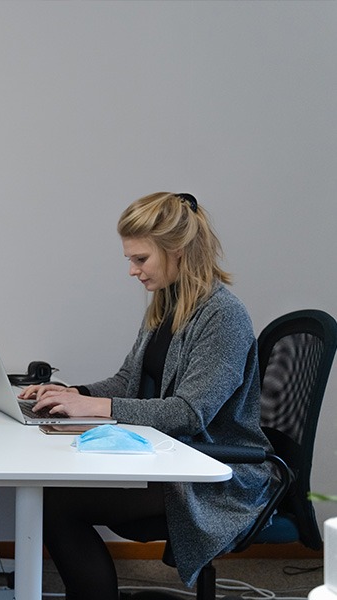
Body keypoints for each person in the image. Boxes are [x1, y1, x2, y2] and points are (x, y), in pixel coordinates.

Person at [19, 192, 274, 600]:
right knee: (54, 494)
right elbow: (127, 381)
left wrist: (95, 407)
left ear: (177, 252)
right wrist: (74, 393)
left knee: (58, 504)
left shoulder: (223, 316)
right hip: (176, 457)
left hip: (215, 474)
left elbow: (191, 413)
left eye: (140, 259)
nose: (132, 271)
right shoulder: (167, 304)